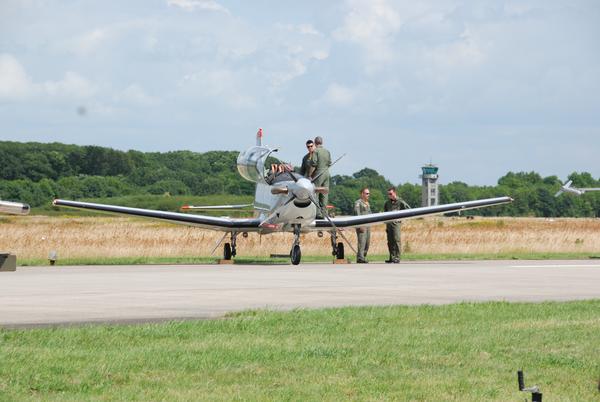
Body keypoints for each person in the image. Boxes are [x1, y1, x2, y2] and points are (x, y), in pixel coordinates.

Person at [384, 187, 407, 263]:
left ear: (394, 193)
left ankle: (397, 257)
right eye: (388, 194)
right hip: (389, 224)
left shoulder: (400, 202)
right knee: (390, 241)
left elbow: (408, 210)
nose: (389, 195)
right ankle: (392, 257)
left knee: (396, 240)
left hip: (396, 224)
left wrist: (400, 218)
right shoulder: (387, 203)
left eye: (390, 194)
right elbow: (385, 212)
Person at [310, 136, 331, 218]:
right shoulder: (327, 151)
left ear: (315, 143)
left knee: (316, 192)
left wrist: (309, 175)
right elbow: (329, 163)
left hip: (319, 173)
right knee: (325, 193)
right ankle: (325, 213)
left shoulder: (316, 151)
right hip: (327, 173)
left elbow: (314, 164)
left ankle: (318, 213)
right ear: (322, 142)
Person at [354, 188, 371, 263]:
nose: (368, 195)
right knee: (362, 242)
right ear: (362, 194)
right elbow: (357, 214)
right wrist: (360, 225)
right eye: (367, 193)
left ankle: (363, 256)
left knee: (367, 242)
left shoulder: (367, 203)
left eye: (369, 193)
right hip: (362, 225)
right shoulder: (358, 203)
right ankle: (360, 258)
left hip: (368, 225)